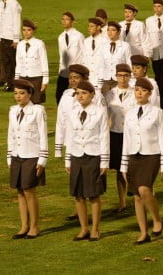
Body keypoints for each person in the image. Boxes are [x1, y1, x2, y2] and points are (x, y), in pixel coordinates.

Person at [119, 77, 163, 244]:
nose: (139, 93)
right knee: (137, 196)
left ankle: (157, 219)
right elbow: (127, 139)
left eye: (143, 90)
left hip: (151, 155)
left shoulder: (157, 112)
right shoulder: (130, 113)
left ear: (150, 93)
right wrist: (123, 164)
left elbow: (162, 138)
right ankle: (143, 233)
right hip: (134, 156)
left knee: (144, 189)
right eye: (137, 90)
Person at [65, 79, 109, 241]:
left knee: (94, 194)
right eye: (78, 93)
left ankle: (95, 229)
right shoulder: (72, 112)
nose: (80, 96)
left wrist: (104, 161)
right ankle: (84, 228)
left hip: (93, 155)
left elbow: (104, 137)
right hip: (77, 155)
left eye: (84, 93)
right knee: (78, 194)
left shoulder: (99, 113)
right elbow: (69, 136)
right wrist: (68, 160)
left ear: (92, 94)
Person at [7, 78, 47, 239]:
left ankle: (34, 226)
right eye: (16, 93)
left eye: (22, 93)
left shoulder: (38, 111)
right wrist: (9, 156)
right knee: (20, 191)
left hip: (32, 155)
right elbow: (11, 134)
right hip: (17, 155)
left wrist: (42, 159)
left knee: (29, 190)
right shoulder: (12, 110)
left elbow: (43, 135)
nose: (18, 96)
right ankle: (24, 225)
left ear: (30, 94)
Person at [105, 63, 134, 214]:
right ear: (116, 76)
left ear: (130, 77)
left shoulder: (136, 93)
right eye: (120, 75)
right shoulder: (110, 95)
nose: (123, 78)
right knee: (118, 168)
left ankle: (138, 195)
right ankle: (122, 201)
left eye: (126, 75)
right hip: (116, 133)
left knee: (134, 166)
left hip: (131, 134)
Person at [143, 0, 163, 109]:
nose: (157, 8)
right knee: (158, 76)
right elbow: (148, 37)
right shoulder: (149, 20)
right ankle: (162, 99)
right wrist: (149, 53)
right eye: (155, 6)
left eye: (159, 6)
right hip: (156, 53)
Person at [13, 20, 48, 104]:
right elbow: (18, 63)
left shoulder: (39, 44)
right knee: (23, 102)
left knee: (36, 103)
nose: (26, 32)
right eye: (24, 30)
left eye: (29, 30)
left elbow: (44, 62)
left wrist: (45, 81)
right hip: (23, 78)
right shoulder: (20, 44)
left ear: (33, 31)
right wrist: (16, 79)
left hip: (36, 78)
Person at [55, 12, 84, 101]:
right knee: (59, 95)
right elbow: (61, 55)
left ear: (72, 22)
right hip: (64, 71)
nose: (64, 21)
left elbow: (84, 53)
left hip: (76, 71)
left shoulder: (79, 36)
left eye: (67, 19)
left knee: (77, 93)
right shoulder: (60, 37)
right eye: (62, 19)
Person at [0, 0, 22, 91]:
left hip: (11, 38)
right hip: (4, 36)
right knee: (6, 62)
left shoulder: (14, 4)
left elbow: (16, 22)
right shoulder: (5, 4)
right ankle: (9, 83)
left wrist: (16, 39)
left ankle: (14, 84)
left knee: (13, 62)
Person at [79, 17, 110, 90]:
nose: (89, 28)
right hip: (88, 81)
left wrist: (101, 83)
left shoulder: (105, 41)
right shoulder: (86, 41)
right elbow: (83, 60)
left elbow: (107, 63)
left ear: (98, 27)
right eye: (88, 26)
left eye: (91, 26)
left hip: (101, 81)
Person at [101, 21, 131, 94]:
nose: (110, 32)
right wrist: (100, 83)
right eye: (108, 30)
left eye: (113, 30)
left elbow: (129, 64)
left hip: (120, 81)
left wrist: (130, 80)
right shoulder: (103, 46)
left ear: (119, 32)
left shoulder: (125, 46)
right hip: (106, 80)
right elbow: (101, 65)